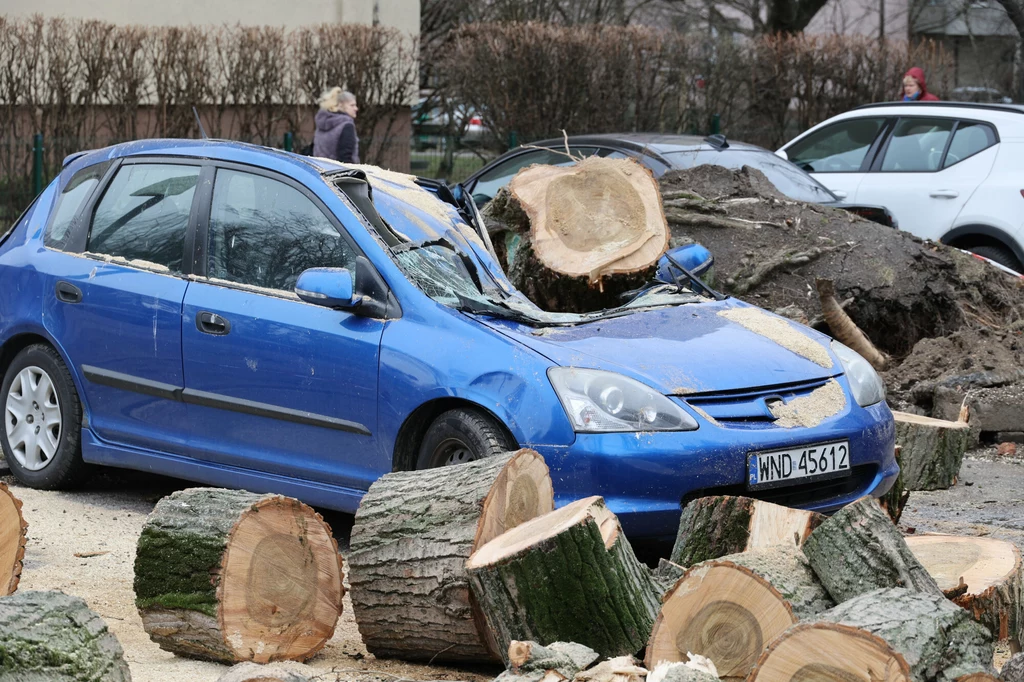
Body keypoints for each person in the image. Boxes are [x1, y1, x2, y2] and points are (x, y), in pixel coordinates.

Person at [313, 87, 360, 163]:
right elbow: (346, 159)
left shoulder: (321, 124)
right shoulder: (346, 126)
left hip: (319, 171)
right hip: (338, 173)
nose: (356, 108)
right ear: (340, 105)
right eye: (352, 105)